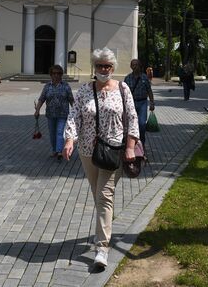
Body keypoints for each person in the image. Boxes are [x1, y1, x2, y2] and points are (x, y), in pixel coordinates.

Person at [62, 47, 139, 268]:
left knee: (105, 196)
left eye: (107, 66)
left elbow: (132, 118)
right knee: (99, 197)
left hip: (114, 150)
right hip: (87, 151)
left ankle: (102, 248)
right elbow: (74, 116)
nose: (103, 69)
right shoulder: (85, 91)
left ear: (113, 68)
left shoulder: (123, 89)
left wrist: (131, 147)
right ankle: (104, 228)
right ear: (94, 68)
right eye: (99, 66)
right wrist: (69, 139)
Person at [34, 65, 74, 160]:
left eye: (59, 73)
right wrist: (37, 110)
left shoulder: (66, 86)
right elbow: (41, 99)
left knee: (60, 132)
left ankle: (59, 151)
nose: (56, 75)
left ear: (61, 75)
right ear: (51, 75)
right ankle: (54, 150)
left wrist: (76, 112)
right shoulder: (47, 86)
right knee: (52, 133)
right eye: (54, 73)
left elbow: (71, 100)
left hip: (63, 114)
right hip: (50, 114)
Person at [124, 59, 155, 146]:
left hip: (142, 103)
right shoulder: (127, 78)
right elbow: (124, 93)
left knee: (141, 124)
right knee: (130, 124)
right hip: (131, 104)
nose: (135, 66)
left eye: (136, 65)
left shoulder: (144, 77)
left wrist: (152, 103)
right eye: (133, 65)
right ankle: (131, 144)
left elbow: (149, 91)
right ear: (131, 66)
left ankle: (141, 143)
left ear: (140, 66)